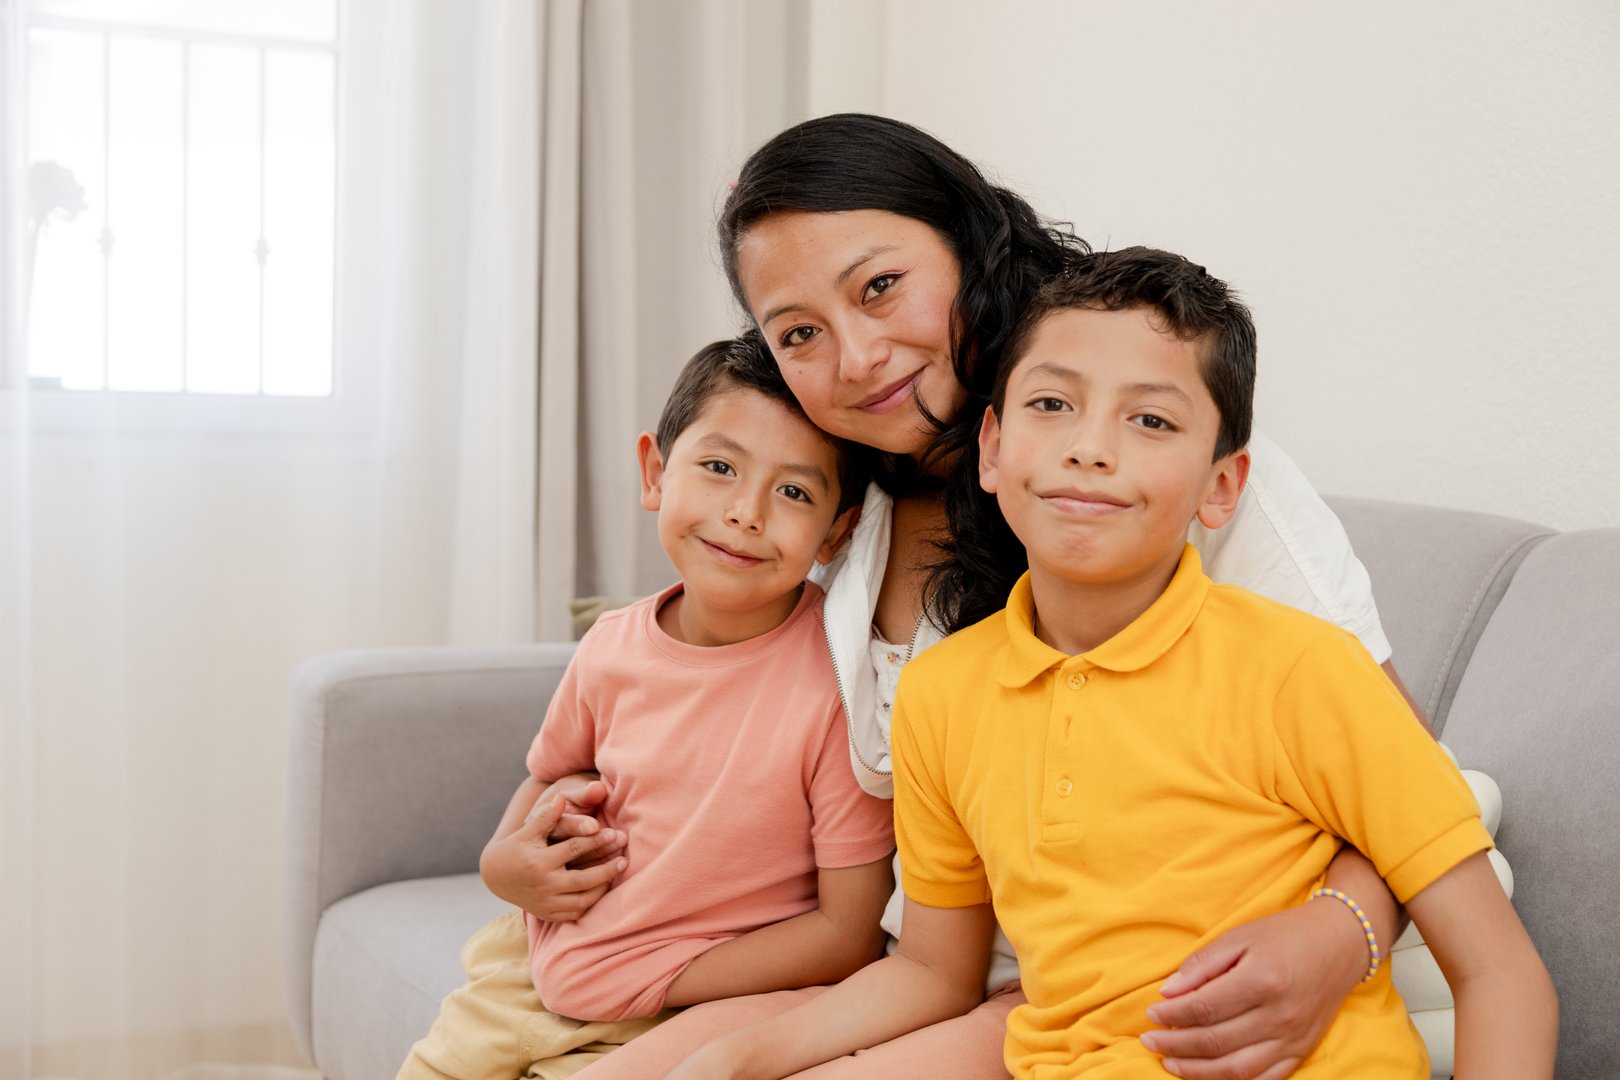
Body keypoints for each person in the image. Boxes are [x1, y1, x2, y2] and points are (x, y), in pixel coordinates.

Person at [508, 113, 1450, 1079]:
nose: (857, 357)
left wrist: (1338, 934)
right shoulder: (844, 507)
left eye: (880, 287)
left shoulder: (1158, 486)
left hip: (1140, 989)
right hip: (919, 968)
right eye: (800, 334)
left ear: (970, 241)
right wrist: (554, 845)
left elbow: (1409, 781)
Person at [662, 247, 1557, 1079]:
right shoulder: (941, 695)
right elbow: (933, 972)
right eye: (1052, 405)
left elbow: (1501, 975)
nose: (1090, 447)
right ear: (992, 449)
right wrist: (736, 1060)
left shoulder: (1301, 668)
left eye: (1151, 420)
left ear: (1221, 487)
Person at [397, 336, 897, 1080]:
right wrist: (503, 864)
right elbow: (554, 775)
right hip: (540, 967)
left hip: (701, 997)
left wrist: (648, 976)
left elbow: (847, 933)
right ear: (655, 473)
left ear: (837, 530)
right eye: (720, 468)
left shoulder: (838, 685)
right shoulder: (610, 646)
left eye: (794, 492)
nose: (746, 513)